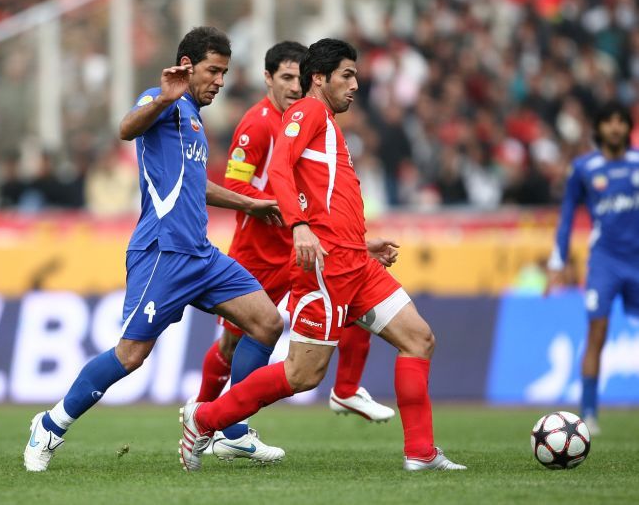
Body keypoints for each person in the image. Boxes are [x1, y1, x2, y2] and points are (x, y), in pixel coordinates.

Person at [180, 38, 466, 472]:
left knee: (418, 339)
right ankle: (205, 419)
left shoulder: (326, 122)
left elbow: (323, 198)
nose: (355, 85)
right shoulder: (307, 112)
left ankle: (421, 453)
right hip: (327, 268)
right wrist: (298, 226)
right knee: (302, 374)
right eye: (347, 76)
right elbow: (279, 168)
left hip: (355, 262)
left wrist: (361, 242)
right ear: (320, 78)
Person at [23, 26, 287, 472]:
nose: (220, 81)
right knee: (131, 355)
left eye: (224, 73)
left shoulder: (196, 121)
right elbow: (126, 129)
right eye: (213, 71)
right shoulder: (162, 100)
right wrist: (164, 97)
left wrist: (250, 204)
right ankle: (50, 425)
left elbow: (194, 184)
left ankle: (231, 430)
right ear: (186, 66)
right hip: (162, 252)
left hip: (201, 254)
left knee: (267, 323)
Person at [196, 41, 395, 463]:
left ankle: (342, 390)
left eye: (296, 78)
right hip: (260, 252)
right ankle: (208, 418)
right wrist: (275, 207)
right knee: (237, 342)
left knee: (349, 302)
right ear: (268, 78)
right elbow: (234, 184)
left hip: (302, 246)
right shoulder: (257, 124)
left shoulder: (308, 118)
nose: (292, 86)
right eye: (284, 77)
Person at [546, 100, 639, 435]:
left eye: (621, 121)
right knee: (596, 332)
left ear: (627, 127)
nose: (615, 127)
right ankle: (589, 413)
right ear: (598, 128)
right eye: (609, 121)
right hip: (605, 262)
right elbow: (567, 216)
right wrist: (558, 261)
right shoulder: (584, 168)